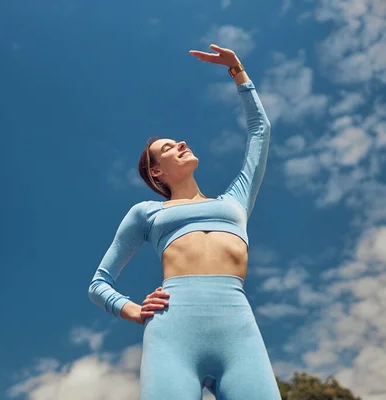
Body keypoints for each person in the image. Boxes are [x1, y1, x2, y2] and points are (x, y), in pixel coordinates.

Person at [88, 44, 281, 400]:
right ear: (157, 171)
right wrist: (130, 309)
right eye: (167, 148)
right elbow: (99, 284)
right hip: (173, 332)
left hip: (238, 329)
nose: (180, 143)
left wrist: (237, 70)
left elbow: (260, 132)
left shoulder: (235, 199)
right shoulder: (147, 212)